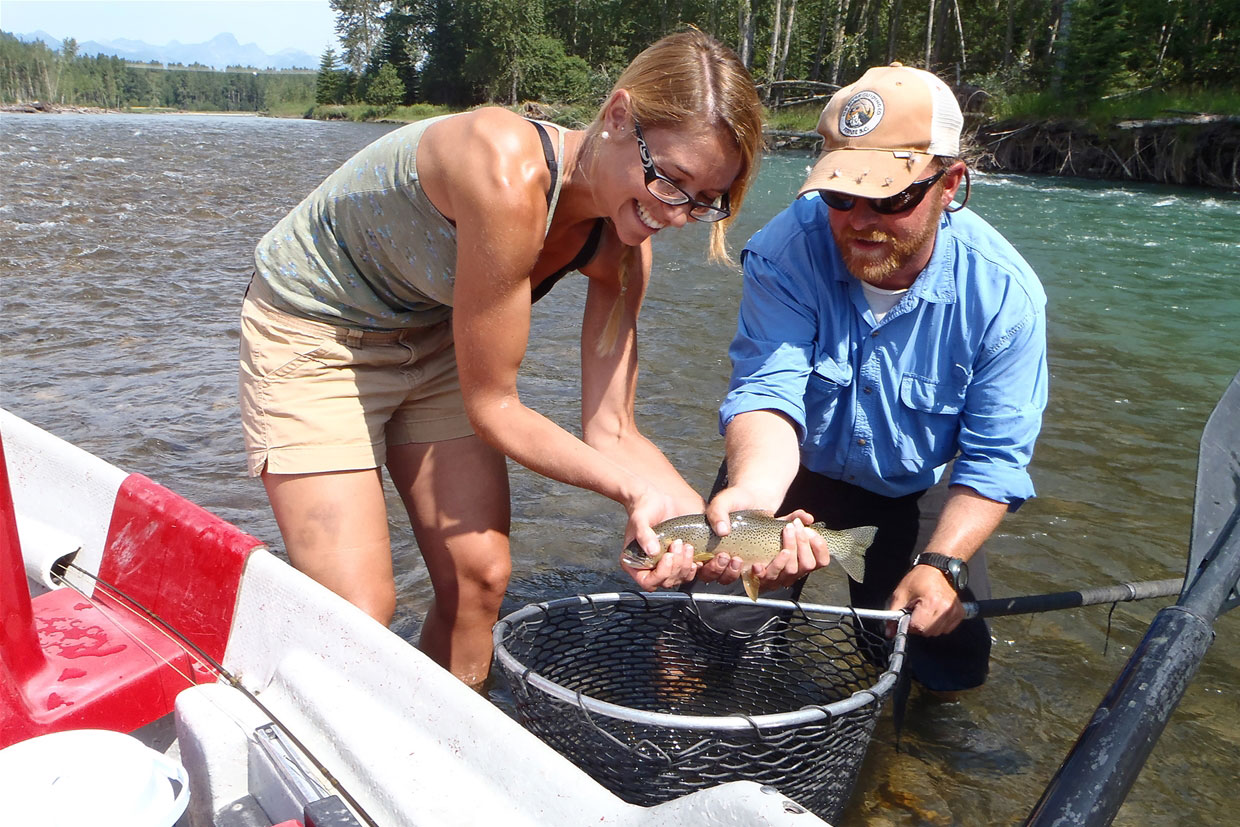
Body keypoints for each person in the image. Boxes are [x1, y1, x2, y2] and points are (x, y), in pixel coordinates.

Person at [238, 30, 764, 688]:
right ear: (620, 117)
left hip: (435, 329)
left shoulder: (624, 244)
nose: (677, 213)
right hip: (314, 326)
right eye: (670, 180)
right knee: (359, 611)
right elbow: (495, 406)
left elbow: (615, 430)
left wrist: (717, 530)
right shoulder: (504, 167)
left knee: (480, 578)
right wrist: (631, 492)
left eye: (703, 200)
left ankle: (436, 747)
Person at [688, 63, 1048, 695]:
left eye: (890, 197)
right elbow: (767, 392)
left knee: (942, 665)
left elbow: (994, 461)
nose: (859, 219)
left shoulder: (1004, 297)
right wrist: (752, 502)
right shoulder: (785, 252)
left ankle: (908, 772)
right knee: (707, 628)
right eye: (839, 195)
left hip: (914, 486)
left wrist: (940, 563)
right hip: (791, 462)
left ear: (949, 184)